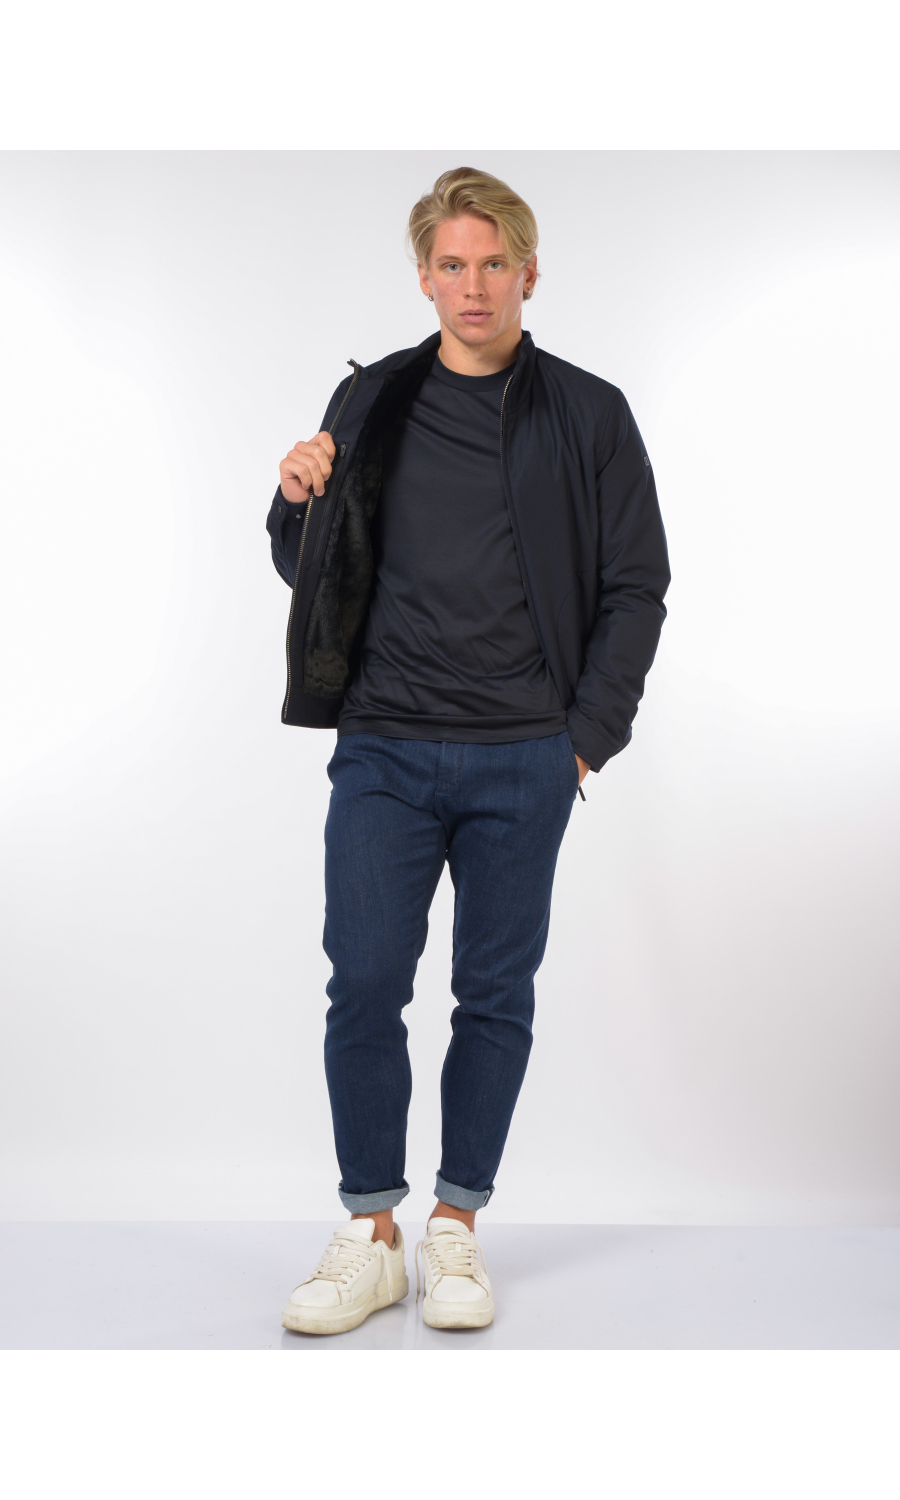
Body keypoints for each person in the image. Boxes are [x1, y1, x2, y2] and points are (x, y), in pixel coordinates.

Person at [265, 167, 670, 1336]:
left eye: (495, 264)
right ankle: (372, 1233)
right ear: (425, 277)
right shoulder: (372, 400)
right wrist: (294, 502)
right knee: (364, 983)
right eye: (453, 264)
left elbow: (637, 585)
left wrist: (583, 743)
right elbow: (313, 568)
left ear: (530, 273)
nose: (474, 285)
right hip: (384, 747)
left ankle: (455, 1225)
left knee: (493, 995)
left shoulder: (589, 413)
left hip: (522, 757)